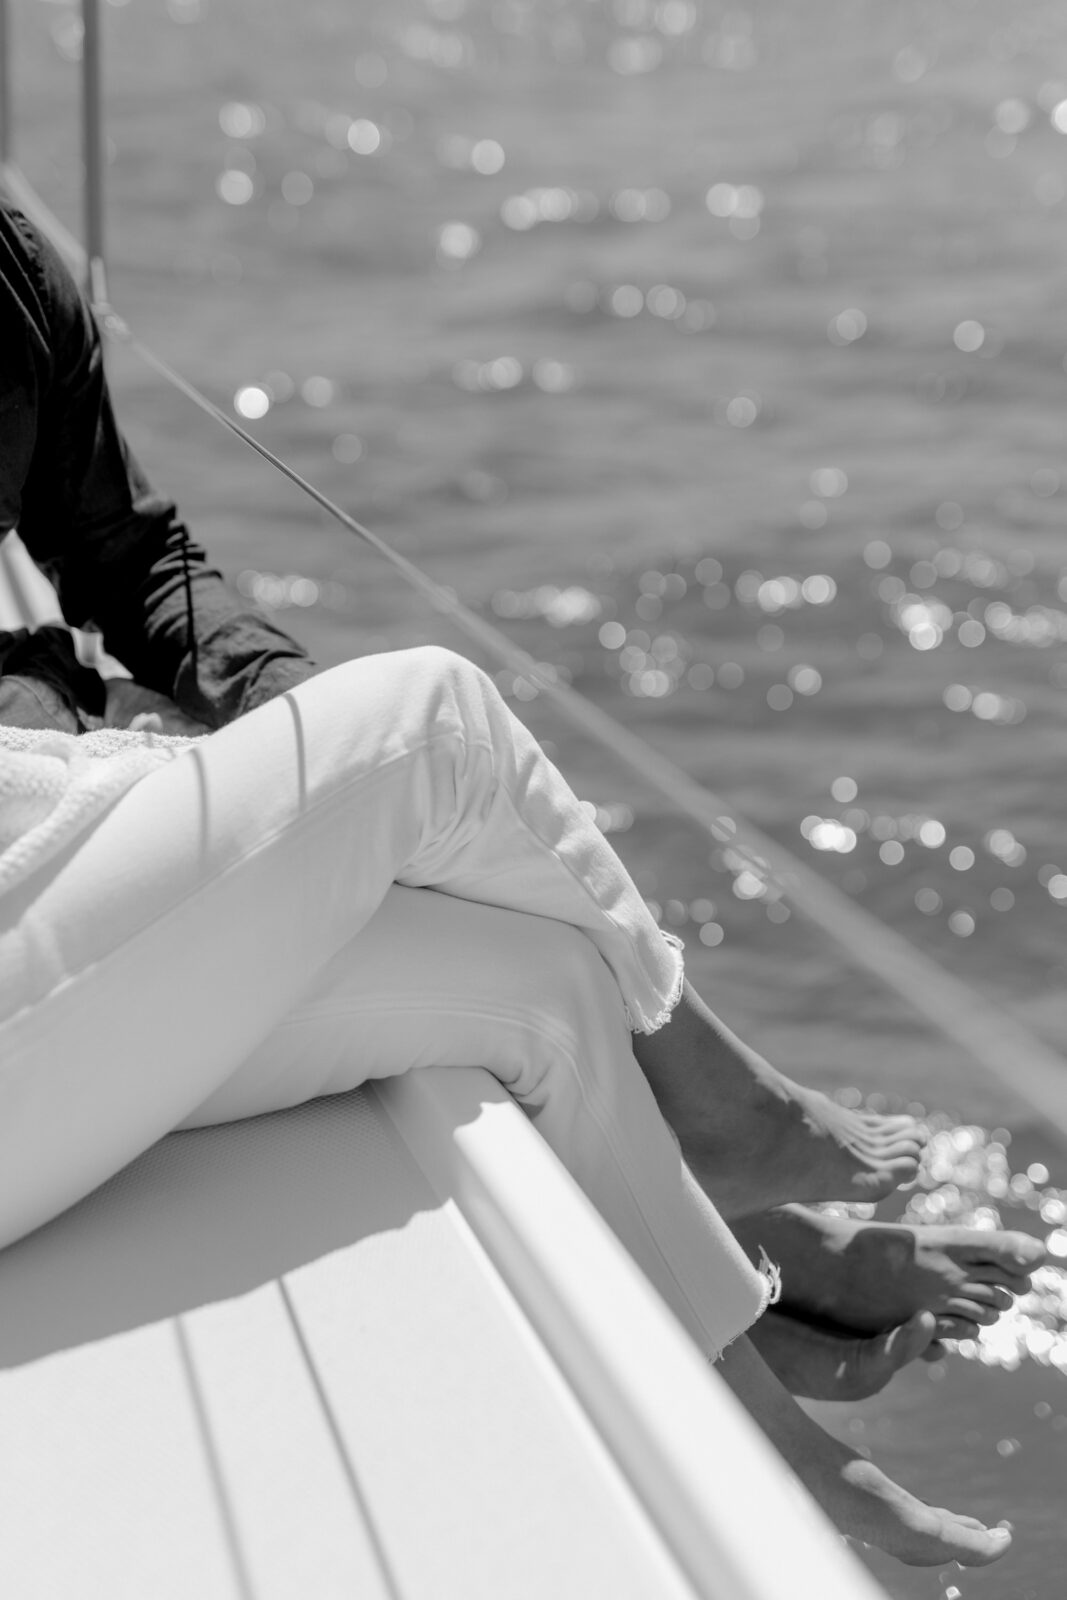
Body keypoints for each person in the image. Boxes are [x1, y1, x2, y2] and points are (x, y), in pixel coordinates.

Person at [0, 194, 1042, 1567]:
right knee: (433, 724)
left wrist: (288, 737)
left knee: (534, 982)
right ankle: (746, 1141)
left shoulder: (9, 265)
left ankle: (774, 1425)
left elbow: (129, 554)